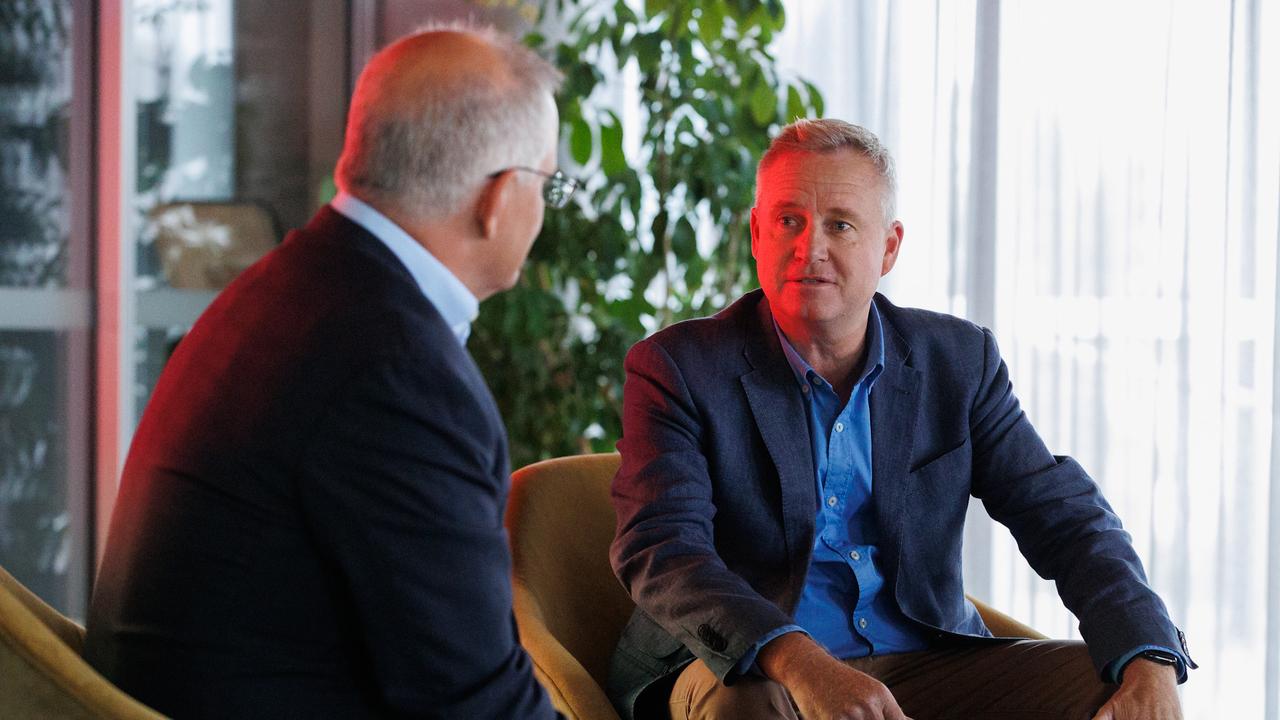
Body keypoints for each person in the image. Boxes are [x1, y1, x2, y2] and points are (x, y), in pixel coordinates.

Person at [607, 119, 1193, 720]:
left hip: (923, 659)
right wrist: (802, 661)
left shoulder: (959, 361)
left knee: (1114, 688)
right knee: (750, 705)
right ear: (758, 234)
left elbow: (1064, 518)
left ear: (888, 247)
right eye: (789, 221)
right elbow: (664, 550)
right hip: (746, 665)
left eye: (840, 224)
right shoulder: (677, 367)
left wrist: (1149, 655)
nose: (811, 248)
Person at [85, 24, 573, 719]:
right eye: (550, 184)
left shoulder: (290, 292)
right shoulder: (397, 372)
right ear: (497, 198)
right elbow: (476, 706)